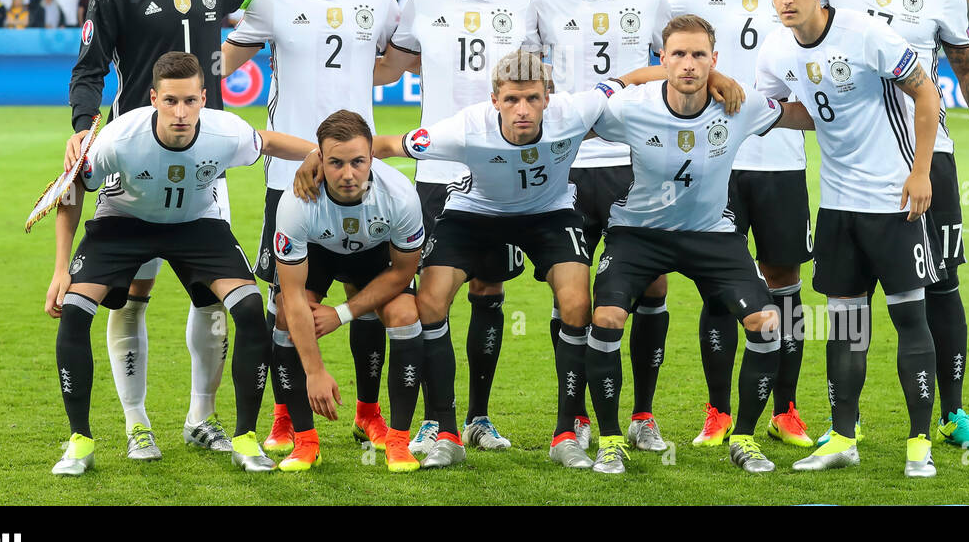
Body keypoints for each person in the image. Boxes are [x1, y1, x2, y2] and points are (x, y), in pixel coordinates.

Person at [295, 50, 742, 470]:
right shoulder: (467, 127)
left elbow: (630, 78)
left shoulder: (576, 109)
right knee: (429, 303)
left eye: (532, 98)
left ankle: (565, 434)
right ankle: (445, 431)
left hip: (548, 214)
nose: (523, 109)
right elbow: (387, 144)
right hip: (476, 215)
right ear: (495, 100)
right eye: (512, 99)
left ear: (549, 98)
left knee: (576, 304)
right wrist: (319, 154)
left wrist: (712, 77)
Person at [685, 0, 969, 451]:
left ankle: (950, 416)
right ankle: (844, 430)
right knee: (847, 311)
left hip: (928, 157)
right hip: (848, 183)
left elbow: (964, 66)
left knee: (942, 285)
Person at [65, 0, 298, 462]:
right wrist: (80, 130)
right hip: (134, 160)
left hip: (205, 158)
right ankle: (137, 422)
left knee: (212, 299)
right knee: (132, 296)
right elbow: (89, 67)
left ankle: (202, 415)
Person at [43, 51, 316, 476]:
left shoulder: (225, 133)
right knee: (75, 312)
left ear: (204, 98)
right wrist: (61, 269)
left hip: (196, 224)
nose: (181, 112)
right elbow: (73, 188)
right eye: (170, 101)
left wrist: (318, 154)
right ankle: (81, 441)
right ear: (152, 98)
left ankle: (245, 438)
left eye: (190, 101)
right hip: (123, 222)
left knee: (247, 310)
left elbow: (269, 141)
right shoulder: (119, 138)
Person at [585, 15, 816, 475]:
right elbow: (574, 123)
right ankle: (611, 439)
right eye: (678, 55)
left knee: (768, 323)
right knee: (606, 317)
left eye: (699, 55)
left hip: (712, 234)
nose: (688, 64)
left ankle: (745, 438)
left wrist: (858, 103)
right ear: (662, 59)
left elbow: (802, 116)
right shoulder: (632, 107)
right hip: (639, 233)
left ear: (715, 61)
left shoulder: (741, 105)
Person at [221, 0, 400, 466]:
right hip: (289, 176)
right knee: (286, 301)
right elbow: (222, 63)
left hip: (358, 172)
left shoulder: (380, 1)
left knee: (364, 300)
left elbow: (400, 59)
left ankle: (369, 416)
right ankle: (284, 416)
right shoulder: (273, 2)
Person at [756, 0, 944, 478]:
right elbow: (806, 114)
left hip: (894, 199)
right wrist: (758, 112)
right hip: (837, 206)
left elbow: (926, 94)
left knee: (910, 317)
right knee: (845, 327)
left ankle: (918, 444)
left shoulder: (866, 34)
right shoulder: (775, 50)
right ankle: (842, 436)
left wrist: (922, 171)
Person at [370, 0, 534, 454]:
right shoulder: (423, 2)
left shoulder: (523, 6)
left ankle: (479, 420)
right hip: (437, 173)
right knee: (427, 299)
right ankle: (435, 420)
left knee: (489, 291)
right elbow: (392, 67)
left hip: (501, 173)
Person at [661, 0, 816, 451]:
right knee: (718, 286)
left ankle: (788, 409)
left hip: (780, 162)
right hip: (714, 163)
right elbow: (635, 24)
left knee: (785, 284)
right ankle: (718, 412)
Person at [527, 0, 674, 452]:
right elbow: (527, 73)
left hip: (636, 164)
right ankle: (574, 421)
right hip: (565, 168)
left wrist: (635, 82)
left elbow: (680, 59)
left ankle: (643, 415)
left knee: (653, 287)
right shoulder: (546, 0)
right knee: (573, 299)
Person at [271, 111, 426, 473]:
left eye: (358, 162)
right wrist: (315, 372)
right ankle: (306, 442)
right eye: (335, 163)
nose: (348, 174)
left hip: (375, 256)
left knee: (405, 314)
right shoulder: (296, 204)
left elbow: (403, 272)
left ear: (372, 157)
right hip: (318, 252)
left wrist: (342, 313)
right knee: (283, 315)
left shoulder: (400, 196)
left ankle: (397, 442)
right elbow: (293, 297)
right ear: (319, 160)